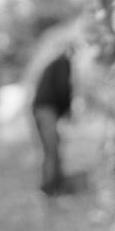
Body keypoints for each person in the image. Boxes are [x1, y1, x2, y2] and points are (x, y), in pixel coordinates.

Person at [32, 47, 74, 195]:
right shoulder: (64, 63)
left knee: (51, 147)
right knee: (52, 147)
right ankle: (50, 187)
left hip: (43, 108)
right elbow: (63, 88)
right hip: (46, 109)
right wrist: (68, 108)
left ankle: (53, 185)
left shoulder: (54, 64)